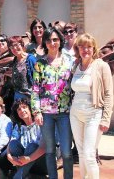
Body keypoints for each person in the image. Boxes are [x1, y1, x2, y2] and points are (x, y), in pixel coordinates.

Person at [70, 33, 114, 179]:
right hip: (75, 113)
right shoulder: (75, 65)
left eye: (89, 46)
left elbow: (108, 94)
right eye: (82, 46)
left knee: (89, 154)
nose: (85, 50)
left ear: (94, 48)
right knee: (81, 153)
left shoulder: (101, 66)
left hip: (93, 114)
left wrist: (106, 118)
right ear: (78, 48)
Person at [31, 27, 73, 179]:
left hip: (65, 113)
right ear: (45, 43)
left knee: (67, 152)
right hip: (46, 114)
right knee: (49, 151)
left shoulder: (69, 62)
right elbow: (35, 89)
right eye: (49, 40)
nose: (52, 42)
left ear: (60, 41)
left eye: (55, 39)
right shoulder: (40, 63)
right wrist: (36, 112)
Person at [7, 99, 47, 179]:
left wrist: (29, 159)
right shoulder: (18, 127)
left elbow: (44, 147)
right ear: (17, 113)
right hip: (25, 163)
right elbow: (10, 144)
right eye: (19, 109)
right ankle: (24, 174)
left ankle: (18, 176)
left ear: (30, 109)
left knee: (32, 146)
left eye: (24, 107)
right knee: (13, 144)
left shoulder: (41, 122)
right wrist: (9, 157)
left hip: (42, 163)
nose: (22, 110)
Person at [8, 36, 37, 101]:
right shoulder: (15, 60)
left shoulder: (30, 59)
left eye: (16, 45)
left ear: (22, 45)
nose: (14, 48)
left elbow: (38, 79)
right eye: (11, 47)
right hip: (17, 97)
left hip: (30, 97)